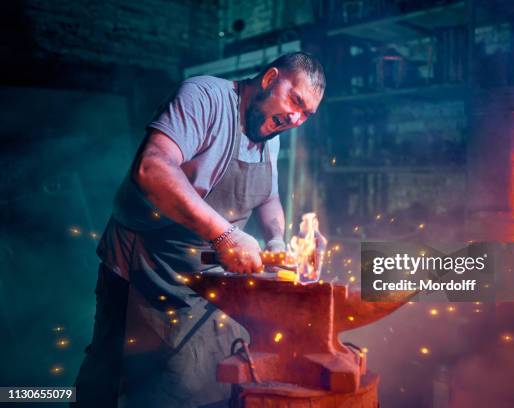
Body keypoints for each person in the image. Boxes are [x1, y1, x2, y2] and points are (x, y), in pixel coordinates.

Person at [72, 52, 325, 408]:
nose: (295, 118)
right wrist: (225, 235)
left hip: (209, 275)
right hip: (146, 266)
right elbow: (152, 168)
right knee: (119, 380)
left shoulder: (272, 134)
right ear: (269, 78)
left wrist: (278, 241)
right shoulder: (203, 97)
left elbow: (269, 198)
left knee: (206, 378)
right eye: (294, 100)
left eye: (306, 114)